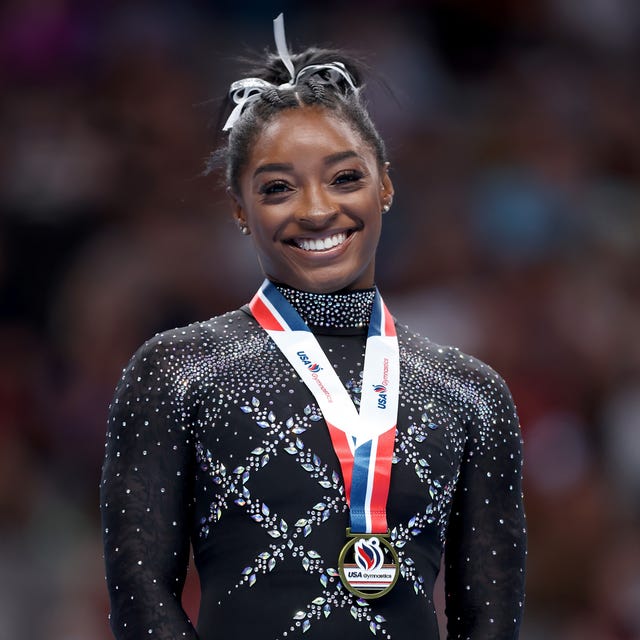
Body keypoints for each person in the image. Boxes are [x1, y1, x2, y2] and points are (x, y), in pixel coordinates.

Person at [100, 15, 526, 640]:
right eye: (278, 188)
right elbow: (140, 600)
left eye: (344, 177)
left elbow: (488, 620)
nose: (318, 208)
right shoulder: (179, 371)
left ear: (385, 185)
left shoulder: (469, 394)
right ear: (239, 210)